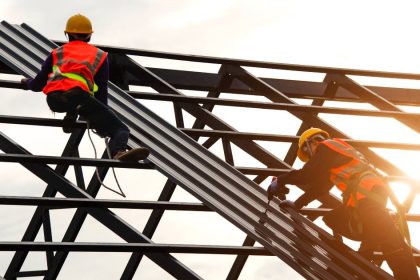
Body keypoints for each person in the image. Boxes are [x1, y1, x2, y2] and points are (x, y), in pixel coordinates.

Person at [267, 127, 419, 280]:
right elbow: (321, 187)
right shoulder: (337, 151)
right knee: (335, 219)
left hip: (367, 199)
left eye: (307, 153)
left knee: (395, 248)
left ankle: (371, 258)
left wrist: (281, 179)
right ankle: (363, 257)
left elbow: (307, 174)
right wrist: (297, 204)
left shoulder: (326, 147)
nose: (310, 157)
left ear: (311, 142)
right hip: (369, 199)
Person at [21, 14, 149, 161]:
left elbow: (38, 84)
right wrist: (103, 116)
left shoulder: (57, 53)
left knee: (73, 98)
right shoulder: (99, 55)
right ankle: (118, 151)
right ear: (89, 36)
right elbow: (101, 89)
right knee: (121, 129)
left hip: (54, 101)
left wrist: (26, 82)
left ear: (67, 34)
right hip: (78, 97)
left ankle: (71, 116)